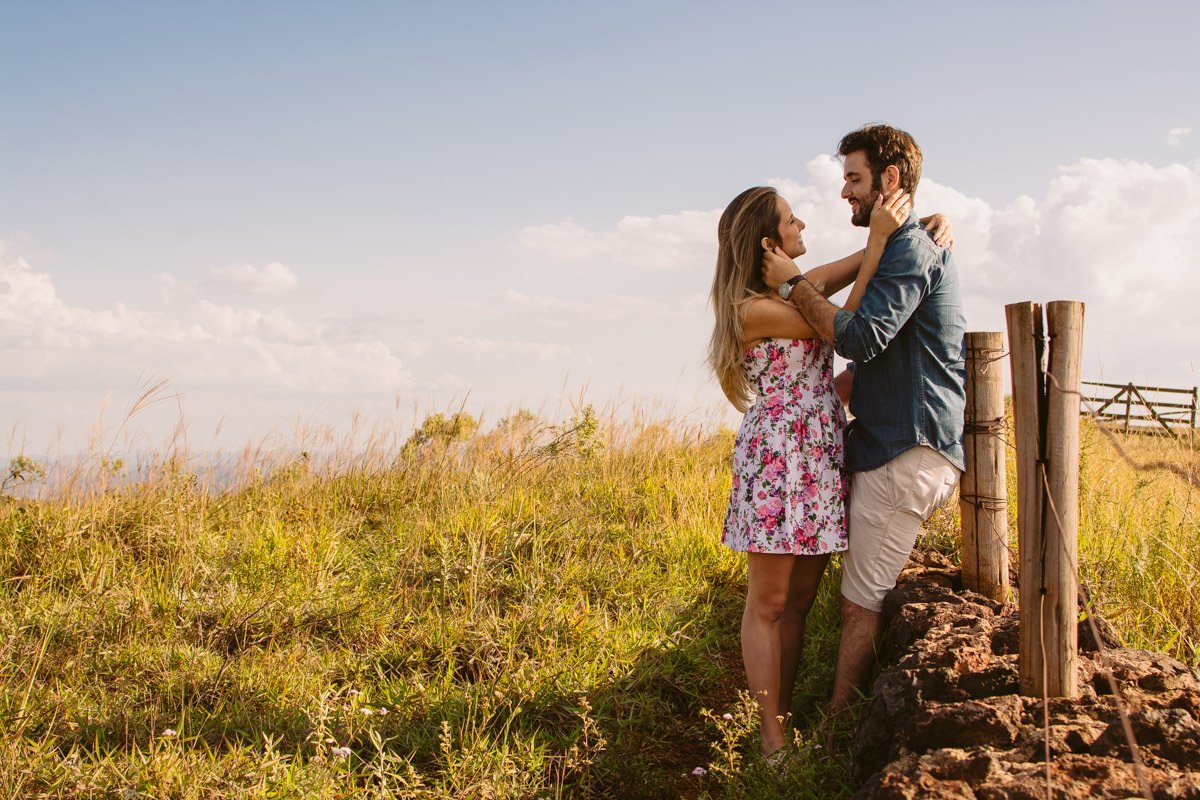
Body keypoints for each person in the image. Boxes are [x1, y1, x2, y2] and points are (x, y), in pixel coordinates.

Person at [709, 184, 950, 757]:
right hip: (778, 458)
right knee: (767, 603)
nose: (803, 227)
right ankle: (771, 745)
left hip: (818, 451)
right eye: (792, 223)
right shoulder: (754, 310)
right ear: (770, 244)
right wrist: (874, 243)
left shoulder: (796, 288)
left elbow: (865, 261)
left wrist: (917, 230)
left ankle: (783, 719)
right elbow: (840, 322)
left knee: (799, 603)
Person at [761, 123, 966, 713]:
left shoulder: (911, 249)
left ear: (890, 179)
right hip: (887, 444)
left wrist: (794, 284)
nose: (845, 192)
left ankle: (833, 736)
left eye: (853, 178)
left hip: (908, 450)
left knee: (861, 603)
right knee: (853, 596)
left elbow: (862, 336)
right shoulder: (903, 244)